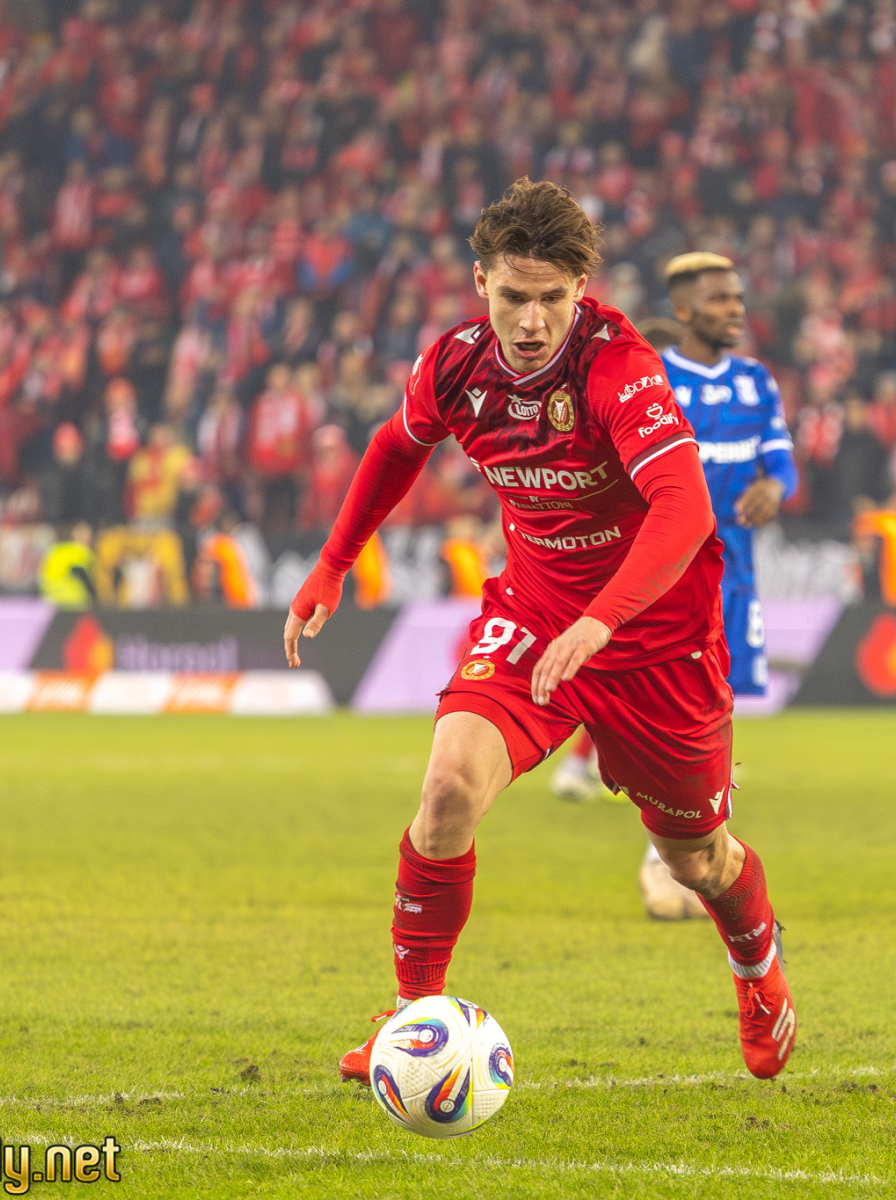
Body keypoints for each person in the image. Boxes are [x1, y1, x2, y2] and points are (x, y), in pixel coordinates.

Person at [284, 179, 798, 1081]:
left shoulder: (617, 368)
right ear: (481, 282)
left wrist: (603, 621)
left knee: (696, 860)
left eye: (552, 299)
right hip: (535, 614)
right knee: (447, 789)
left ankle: (758, 972)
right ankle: (412, 1021)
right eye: (514, 296)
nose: (531, 322)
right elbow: (395, 446)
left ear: (581, 290)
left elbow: (684, 509)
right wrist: (333, 562)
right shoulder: (454, 365)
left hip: (656, 635)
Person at [565, 251, 800, 921]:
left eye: (738, 298)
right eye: (721, 299)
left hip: (736, 573)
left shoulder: (757, 382)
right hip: (667, 578)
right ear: (685, 310)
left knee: (719, 714)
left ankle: (697, 857)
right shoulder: (653, 379)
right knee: (671, 716)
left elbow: (783, 464)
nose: (736, 310)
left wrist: (775, 489)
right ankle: (663, 857)